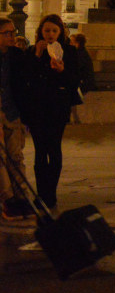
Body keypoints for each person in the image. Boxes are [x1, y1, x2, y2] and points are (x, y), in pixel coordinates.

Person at [23, 14, 79, 210]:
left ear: (60, 32)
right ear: (41, 32)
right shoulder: (33, 50)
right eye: (47, 30)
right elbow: (27, 78)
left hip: (57, 107)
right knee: (40, 152)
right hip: (37, 108)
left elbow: (73, 81)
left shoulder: (69, 52)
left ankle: (51, 194)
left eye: (54, 30)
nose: (50, 34)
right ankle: (41, 194)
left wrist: (62, 71)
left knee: (54, 148)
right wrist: (37, 56)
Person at [0, 17, 34, 220]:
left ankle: (23, 197)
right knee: (1, 159)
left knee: (16, 157)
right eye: (7, 33)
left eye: (13, 32)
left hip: (13, 111)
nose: (13, 36)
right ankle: (8, 200)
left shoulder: (17, 56)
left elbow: (24, 85)